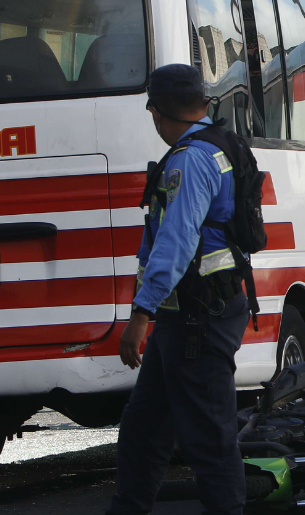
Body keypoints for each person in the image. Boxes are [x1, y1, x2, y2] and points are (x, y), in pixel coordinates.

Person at [107, 64, 251, 515]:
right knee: (145, 426)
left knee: (208, 436)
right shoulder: (221, 144)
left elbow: (175, 243)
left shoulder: (189, 159)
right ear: (203, 103)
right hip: (193, 312)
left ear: (156, 111)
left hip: (197, 315)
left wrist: (140, 314)